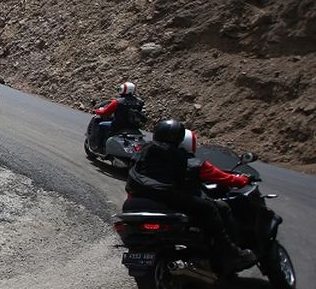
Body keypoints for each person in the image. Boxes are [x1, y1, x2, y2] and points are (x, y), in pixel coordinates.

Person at [126, 119, 255, 272]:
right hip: (167, 198)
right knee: (211, 208)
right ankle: (231, 252)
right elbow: (225, 178)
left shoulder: (142, 152)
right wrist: (243, 179)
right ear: (180, 138)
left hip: (133, 202)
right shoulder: (186, 159)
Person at [89, 81, 145, 150]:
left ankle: (98, 146)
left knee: (101, 125)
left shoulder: (117, 102)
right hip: (133, 126)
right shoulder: (140, 102)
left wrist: (96, 111)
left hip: (118, 126)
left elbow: (105, 113)